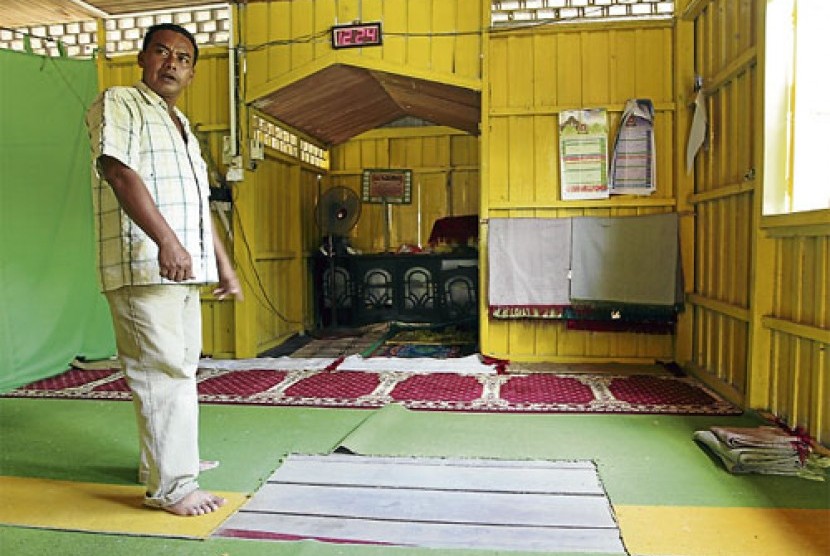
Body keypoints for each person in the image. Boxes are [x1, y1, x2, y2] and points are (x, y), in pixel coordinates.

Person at [85, 23, 242, 517]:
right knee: (161, 372)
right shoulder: (119, 102)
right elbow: (117, 170)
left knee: (179, 370)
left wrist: (224, 265)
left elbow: (198, 205)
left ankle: (168, 462)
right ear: (143, 58)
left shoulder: (183, 127)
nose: (173, 63)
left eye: (184, 58)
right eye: (162, 52)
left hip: (180, 268)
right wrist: (167, 241)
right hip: (143, 263)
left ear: (193, 72)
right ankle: (173, 488)